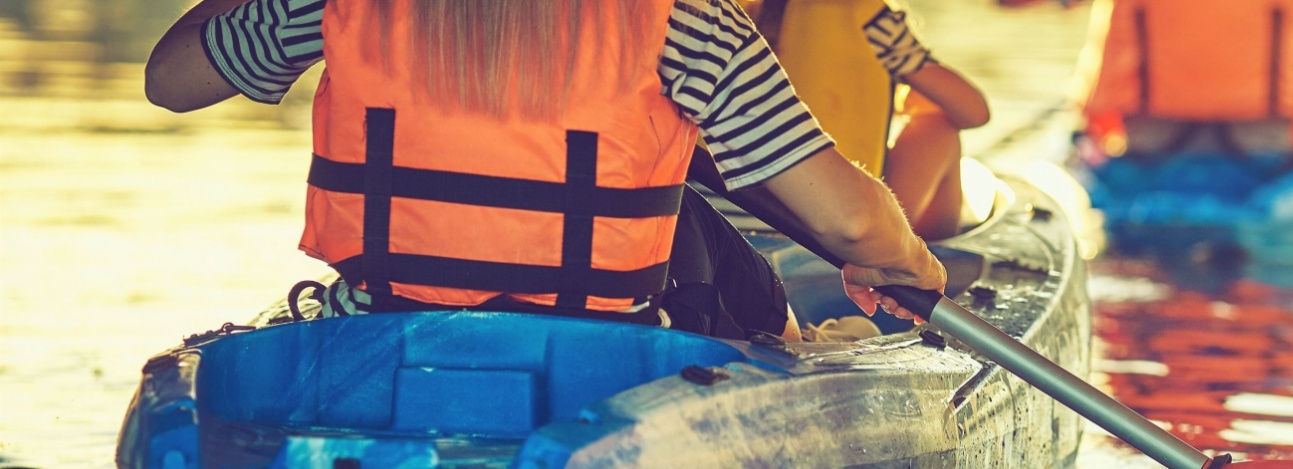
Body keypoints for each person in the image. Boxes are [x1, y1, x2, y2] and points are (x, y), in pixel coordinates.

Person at [145, 0, 946, 341]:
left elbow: (169, 82)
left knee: (693, 217)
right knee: (693, 219)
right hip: (607, 352)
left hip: (378, 328)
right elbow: (848, 221)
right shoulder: (691, 22)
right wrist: (905, 259)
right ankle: (805, 347)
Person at [743, 0, 991, 240]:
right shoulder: (868, 16)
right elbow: (975, 112)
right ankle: (929, 258)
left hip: (737, 220)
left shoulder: (734, 13)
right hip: (838, 232)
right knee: (937, 129)